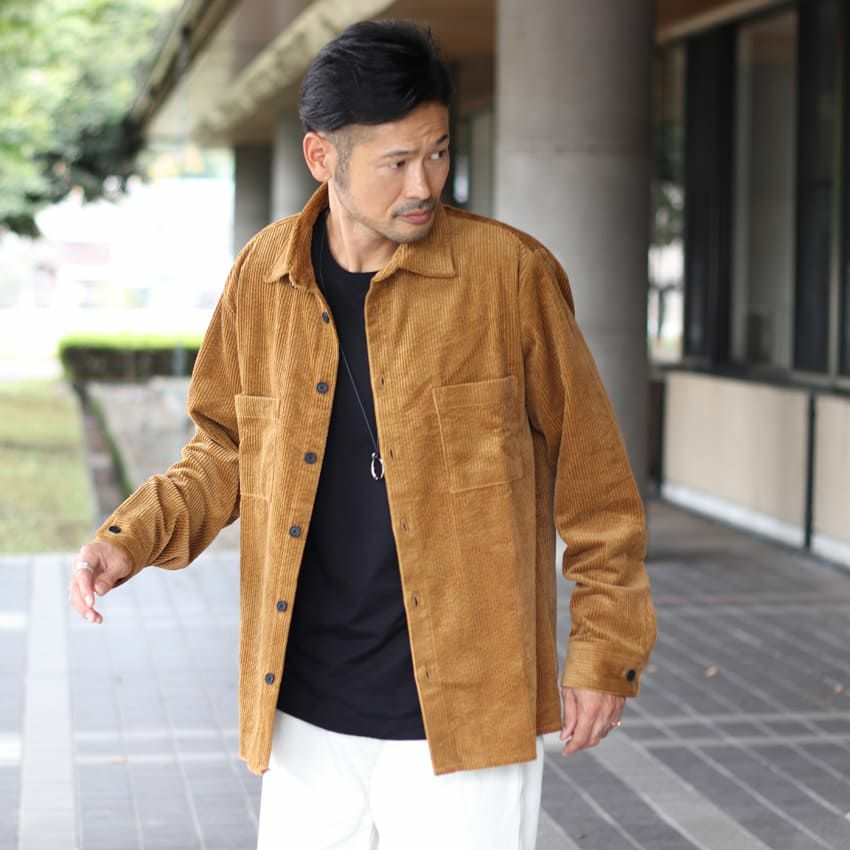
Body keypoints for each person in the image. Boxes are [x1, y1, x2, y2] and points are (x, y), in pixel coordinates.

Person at [69, 19, 656, 850]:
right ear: (322, 157)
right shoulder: (264, 276)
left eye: (439, 152)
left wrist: (604, 651)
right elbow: (224, 449)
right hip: (302, 708)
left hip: (466, 715)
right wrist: (129, 538)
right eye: (397, 162)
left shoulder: (508, 277)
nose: (426, 183)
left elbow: (598, 486)